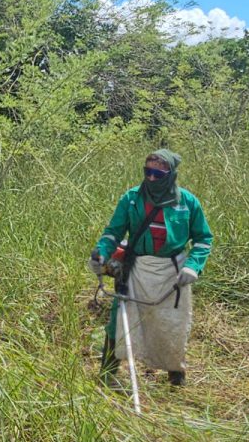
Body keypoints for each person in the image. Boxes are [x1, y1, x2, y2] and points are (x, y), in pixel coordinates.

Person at [87, 149, 212, 387]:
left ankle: (176, 375)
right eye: (148, 172)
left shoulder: (187, 202)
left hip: (173, 272)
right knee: (120, 321)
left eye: (158, 173)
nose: (152, 178)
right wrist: (101, 255)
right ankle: (108, 372)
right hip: (137, 269)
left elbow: (204, 240)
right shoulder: (131, 198)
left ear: (171, 174)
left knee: (172, 323)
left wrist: (193, 267)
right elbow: (113, 233)